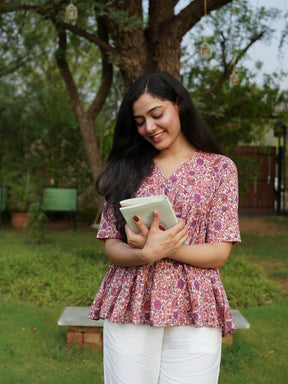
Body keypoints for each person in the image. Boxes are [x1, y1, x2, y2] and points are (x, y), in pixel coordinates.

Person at [89, 72, 241, 384]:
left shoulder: (220, 169)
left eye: (157, 114)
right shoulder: (124, 168)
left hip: (196, 306)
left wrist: (163, 248)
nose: (149, 128)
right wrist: (144, 255)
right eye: (140, 121)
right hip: (131, 303)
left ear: (179, 105)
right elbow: (110, 246)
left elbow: (219, 252)